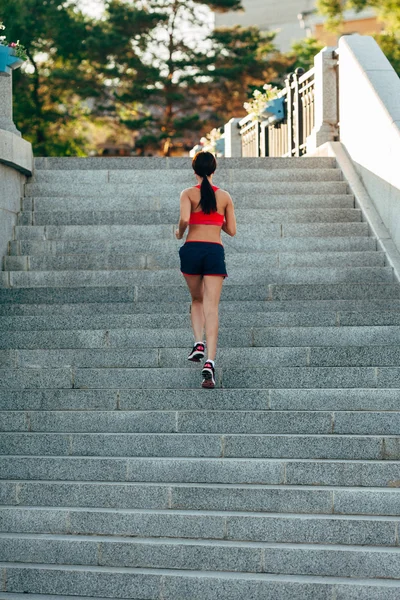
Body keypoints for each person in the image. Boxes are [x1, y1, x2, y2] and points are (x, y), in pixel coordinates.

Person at [175, 151, 237, 389]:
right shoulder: (224, 197)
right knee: (212, 306)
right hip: (213, 251)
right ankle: (210, 360)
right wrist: (216, 220)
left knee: (196, 299)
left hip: (191, 250)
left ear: (194, 171)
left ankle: (197, 342)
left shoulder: (187, 194)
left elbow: (183, 220)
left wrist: (180, 233)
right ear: (214, 169)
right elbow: (232, 230)